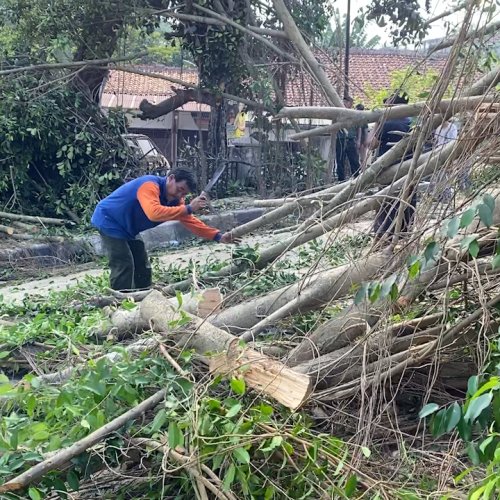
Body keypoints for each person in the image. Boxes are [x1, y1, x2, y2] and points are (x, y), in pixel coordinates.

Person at [91, 169, 240, 291]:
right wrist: (188, 208)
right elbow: (154, 213)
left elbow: (189, 220)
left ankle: (144, 295)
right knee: (124, 262)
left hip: (128, 227)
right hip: (109, 220)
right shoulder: (149, 185)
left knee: (141, 261)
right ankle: (120, 302)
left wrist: (218, 236)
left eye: (184, 194)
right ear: (171, 178)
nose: (180, 195)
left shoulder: (176, 200)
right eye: (179, 189)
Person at [371, 92, 416, 240]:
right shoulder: (413, 122)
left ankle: (385, 233)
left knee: (387, 201)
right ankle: (404, 232)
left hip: (388, 169)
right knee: (407, 199)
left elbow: (371, 144)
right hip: (410, 166)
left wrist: (377, 124)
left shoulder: (387, 123)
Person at [336, 95, 361, 182]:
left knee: (354, 161)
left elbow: (359, 128)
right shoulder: (338, 113)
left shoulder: (353, 114)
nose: (350, 104)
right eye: (348, 102)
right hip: (341, 140)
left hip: (351, 140)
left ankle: (357, 178)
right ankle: (341, 180)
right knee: (340, 161)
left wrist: (358, 140)